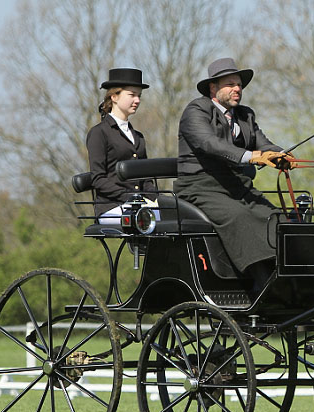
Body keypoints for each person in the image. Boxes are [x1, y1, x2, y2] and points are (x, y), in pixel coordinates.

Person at [174, 57, 295, 285]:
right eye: (230, 84)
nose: (237, 89)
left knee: (277, 218)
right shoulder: (196, 110)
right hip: (200, 187)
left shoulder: (245, 115)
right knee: (240, 217)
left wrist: (281, 155)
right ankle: (260, 283)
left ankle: (287, 280)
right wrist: (251, 156)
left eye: (239, 84)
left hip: (237, 186)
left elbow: (263, 143)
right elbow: (210, 144)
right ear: (213, 87)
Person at [85, 68, 155, 223]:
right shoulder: (99, 133)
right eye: (132, 95)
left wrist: (158, 201)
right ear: (114, 96)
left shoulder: (139, 137)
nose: (137, 100)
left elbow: (146, 179)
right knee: (145, 219)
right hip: (111, 207)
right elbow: (98, 179)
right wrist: (130, 196)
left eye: (139, 96)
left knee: (173, 216)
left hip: (140, 206)